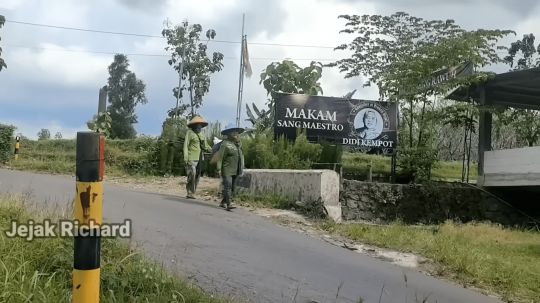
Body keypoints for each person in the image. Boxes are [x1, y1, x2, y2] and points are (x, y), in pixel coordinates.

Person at [216, 124, 245, 211]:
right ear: (228, 133)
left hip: (236, 170)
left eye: (236, 131)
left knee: (232, 188)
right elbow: (220, 158)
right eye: (233, 131)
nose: (235, 133)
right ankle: (229, 204)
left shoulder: (238, 144)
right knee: (228, 186)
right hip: (227, 169)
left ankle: (223, 202)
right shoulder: (225, 144)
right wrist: (219, 169)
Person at [183, 115, 212, 199]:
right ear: (194, 125)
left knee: (197, 175)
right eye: (197, 124)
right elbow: (186, 145)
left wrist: (213, 150)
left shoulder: (202, 135)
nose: (199, 126)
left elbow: (206, 146)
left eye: (200, 125)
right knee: (192, 173)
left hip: (200, 157)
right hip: (191, 157)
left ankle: (192, 192)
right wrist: (186, 157)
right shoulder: (189, 133)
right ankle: (189, 190)